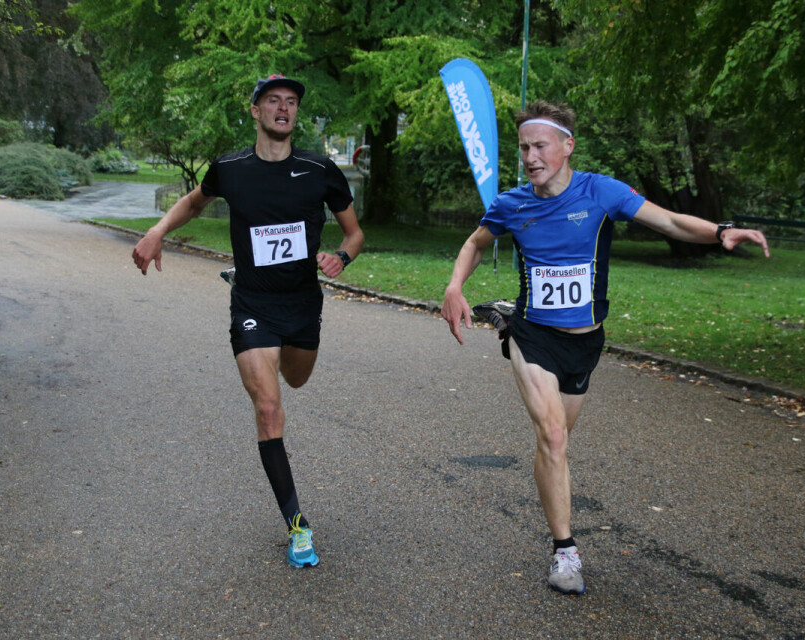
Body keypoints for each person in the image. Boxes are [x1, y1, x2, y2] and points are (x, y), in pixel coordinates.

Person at [441, 101, 768, 595]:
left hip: (585, 342)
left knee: (558, 441)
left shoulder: (601, 192)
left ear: (567, 146)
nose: (530, 156)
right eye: (524, 147)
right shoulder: (512, 204)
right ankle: (565, 551)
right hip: (532, 333)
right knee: (552, 437)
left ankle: (556, 509)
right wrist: (454, 286)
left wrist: (720, 232)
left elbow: (673, 223)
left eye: (540, 146)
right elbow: (475, 242)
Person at [132, 74, 364, 568]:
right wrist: (156, 232)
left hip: (303, 304)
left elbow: (355, 233)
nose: (284, 108)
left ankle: (279, 353)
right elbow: (194, 202)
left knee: (296, 379)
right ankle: (298, 526)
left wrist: (342, 257)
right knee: (268, 409)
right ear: (256, 111)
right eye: (274, 101)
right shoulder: (231, 168)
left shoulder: (319, 170)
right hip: (253, 304)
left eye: (292, 102)